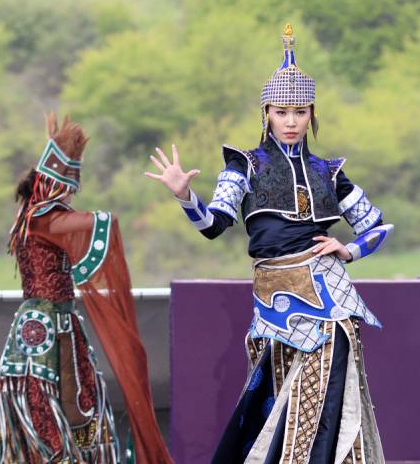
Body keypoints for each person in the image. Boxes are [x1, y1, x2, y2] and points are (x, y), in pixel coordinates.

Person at [145, 24, 392, 463]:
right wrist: (185, 196)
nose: (292, 121)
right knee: (275, 391)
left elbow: (376, 227)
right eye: (282, 111)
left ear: (311, 113)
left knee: (326, 376)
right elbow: (213, 224)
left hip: (329, 293)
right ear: (267, 114)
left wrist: (348, 250)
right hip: (274, 296)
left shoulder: (330, 172)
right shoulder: (244, 167)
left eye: (300, 111)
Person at [0, 113, 173, 463]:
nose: (72, 190)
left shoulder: (32, 216)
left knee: (75, 396)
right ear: (50, 183)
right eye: (67, 182)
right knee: (41, 399)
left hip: (61, 322)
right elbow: (96, 222)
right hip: (43, 327)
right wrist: (105, 219)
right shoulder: (41, 218)